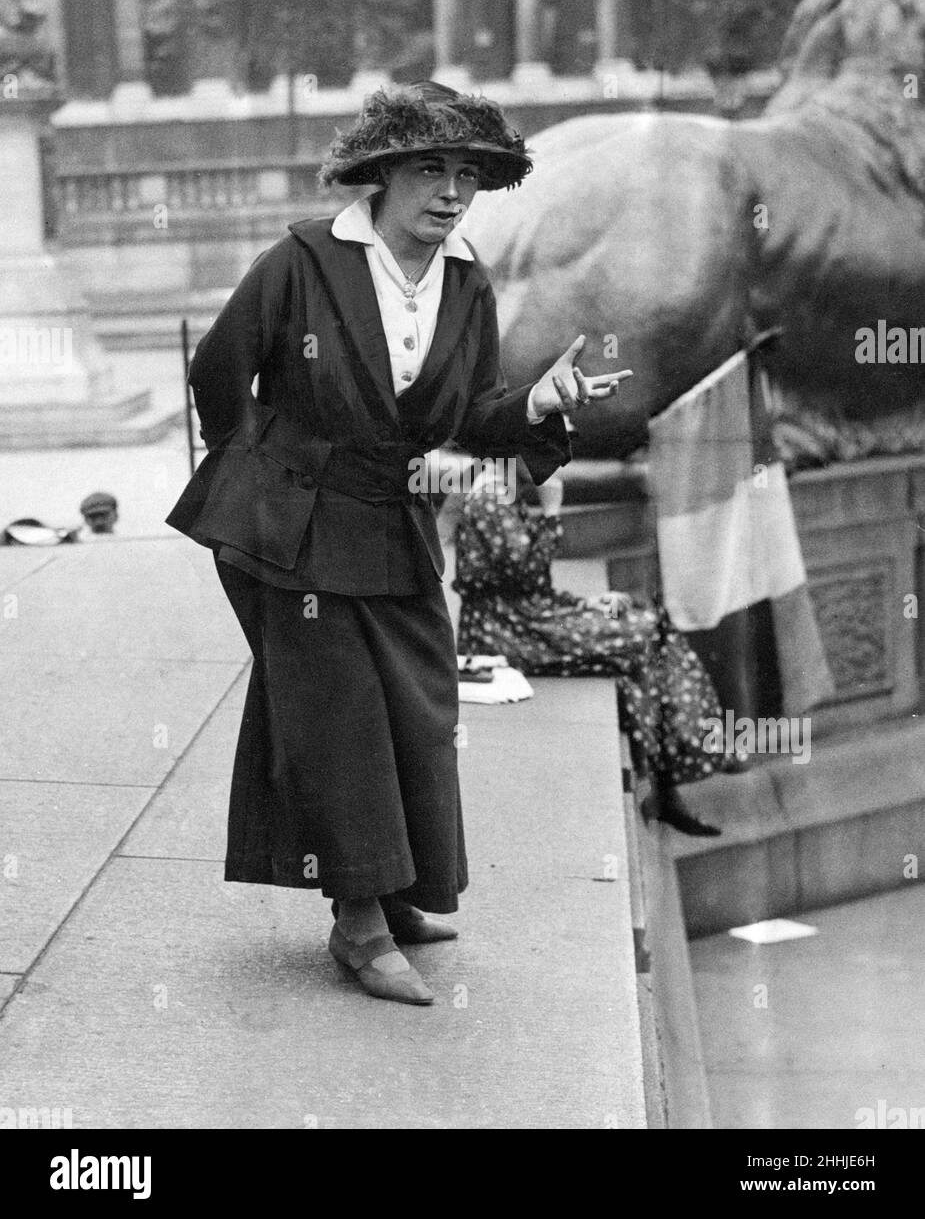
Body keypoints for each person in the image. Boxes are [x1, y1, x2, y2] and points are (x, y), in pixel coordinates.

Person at [166, 81, 628, 1006]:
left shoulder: (465, 281)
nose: (451, 191)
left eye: (466, 174)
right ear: (377, 174)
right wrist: (259, 475)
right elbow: (218, 374)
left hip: (393, 523)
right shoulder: (301, 261)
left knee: (420, 706)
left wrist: (538, 404)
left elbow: (470, 414)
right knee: (336, 717)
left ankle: (403, 887)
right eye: (429, 168)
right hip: (291, 534)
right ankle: (358, 923)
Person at [453, 459, 750, 836]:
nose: (555, 460)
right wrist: (550, 510)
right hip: (505, 633)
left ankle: (671, 776)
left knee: (642, 624)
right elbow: (524, 572)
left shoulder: (503, 491)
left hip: (525, 619)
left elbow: (530, 585)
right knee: (645, 633)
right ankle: (682, 764)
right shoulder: (489, 499)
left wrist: (582, 604)